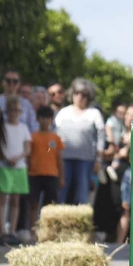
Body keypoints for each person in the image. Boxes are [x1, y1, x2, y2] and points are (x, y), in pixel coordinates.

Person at [54, 78, 106, 206]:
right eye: (76, 92)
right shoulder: (63, 112)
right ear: (72, 94)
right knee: (61, 192)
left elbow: (101, 138)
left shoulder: (94, 114)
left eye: (84, 94)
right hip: (64, 159)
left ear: (89, 97)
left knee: (82, 194)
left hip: (86, 161)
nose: (79, 96)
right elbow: (54, 136)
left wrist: (98, 160)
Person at [0, 97, 30, 244]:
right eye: (11, 110)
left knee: (15, 200)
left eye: (17, 110)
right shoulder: (2, 127)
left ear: (20, 112)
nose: (14, 113)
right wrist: (6, 158)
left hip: (19, 167)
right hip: (4, 166)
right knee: (2, 198)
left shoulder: (23, 128)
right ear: (6, 112)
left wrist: (18, 157)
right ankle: (2, 231)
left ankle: (12, 231)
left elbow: (27, 147)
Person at [28, 105, 62, 224]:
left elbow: (59, 159)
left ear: (51, 120)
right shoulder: (32, 137)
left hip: (51, 174)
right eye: (42, 118)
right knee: (33, 203)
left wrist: (61, 178)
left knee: (50, 205)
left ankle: (47, 230)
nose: (45, 121)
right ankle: (32, 229)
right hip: (34, 174)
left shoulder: (55, 138)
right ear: (37, 119)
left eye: (48, 118)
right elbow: (28, 156)